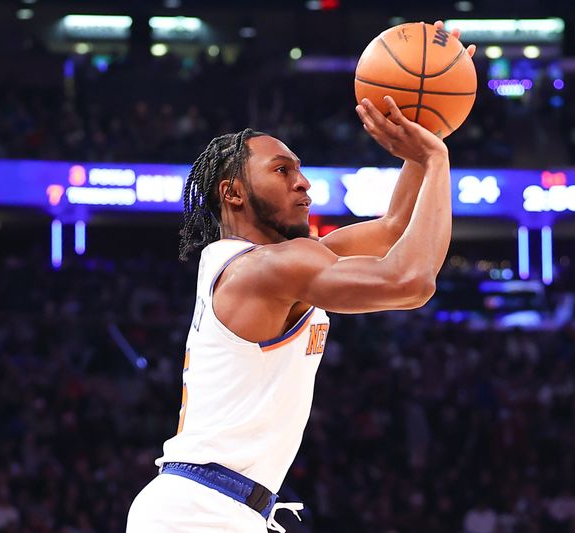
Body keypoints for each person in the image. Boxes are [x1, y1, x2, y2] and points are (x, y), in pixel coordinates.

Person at [127, 21, 475, 533]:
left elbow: (398, 228)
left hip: (217, 508)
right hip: (199, 512)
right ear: (233, 193)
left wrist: (428, 131)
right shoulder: (264, 269)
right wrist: (436, 159)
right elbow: (412, 281)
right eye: (282, 171)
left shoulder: (280, 263)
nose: (303, 182)